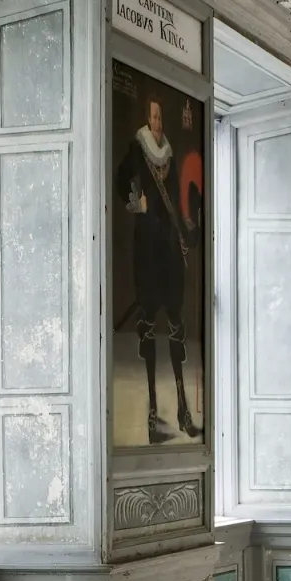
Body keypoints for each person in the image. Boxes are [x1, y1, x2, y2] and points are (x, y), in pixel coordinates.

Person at [115, 96, 202, 444]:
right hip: (147, 247)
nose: (157, 120)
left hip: (168, 245)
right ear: (147, 118)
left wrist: (186, 229)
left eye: (160, 115)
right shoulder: (138, 149)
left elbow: (179, 201)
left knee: (177, 323)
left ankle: (183, 410)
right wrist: (137, 203)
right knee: (149, 325)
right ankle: (153, 414)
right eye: (153, 115)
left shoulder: (169, 154)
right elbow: (122, 182)